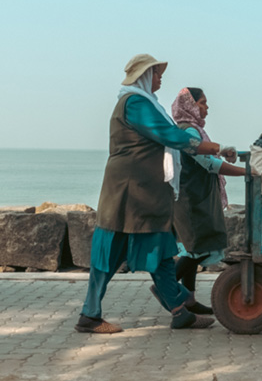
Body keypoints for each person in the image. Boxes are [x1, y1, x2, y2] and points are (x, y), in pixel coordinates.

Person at [74, 54, 230, 333]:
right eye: (157, 74)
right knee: (106, 257)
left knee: (160, 253)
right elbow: (169, 135)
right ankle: (90, 315)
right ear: (144, 76)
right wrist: (210, 147)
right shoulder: (134, 103)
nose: (160, 79)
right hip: (127, 195)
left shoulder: (147, 103)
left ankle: (180, 311)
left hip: (146, 196)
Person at [163, 87, 245, 314]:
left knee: (193, 249)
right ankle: (165, 288)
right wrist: (246, 172)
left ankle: (188, 299)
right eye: (203, 103)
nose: (207, 108)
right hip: (192, 200)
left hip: (192, 197)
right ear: (191, 105)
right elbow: (209, 164)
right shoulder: (190, 131)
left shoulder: (185, 129)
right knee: (197, 248)